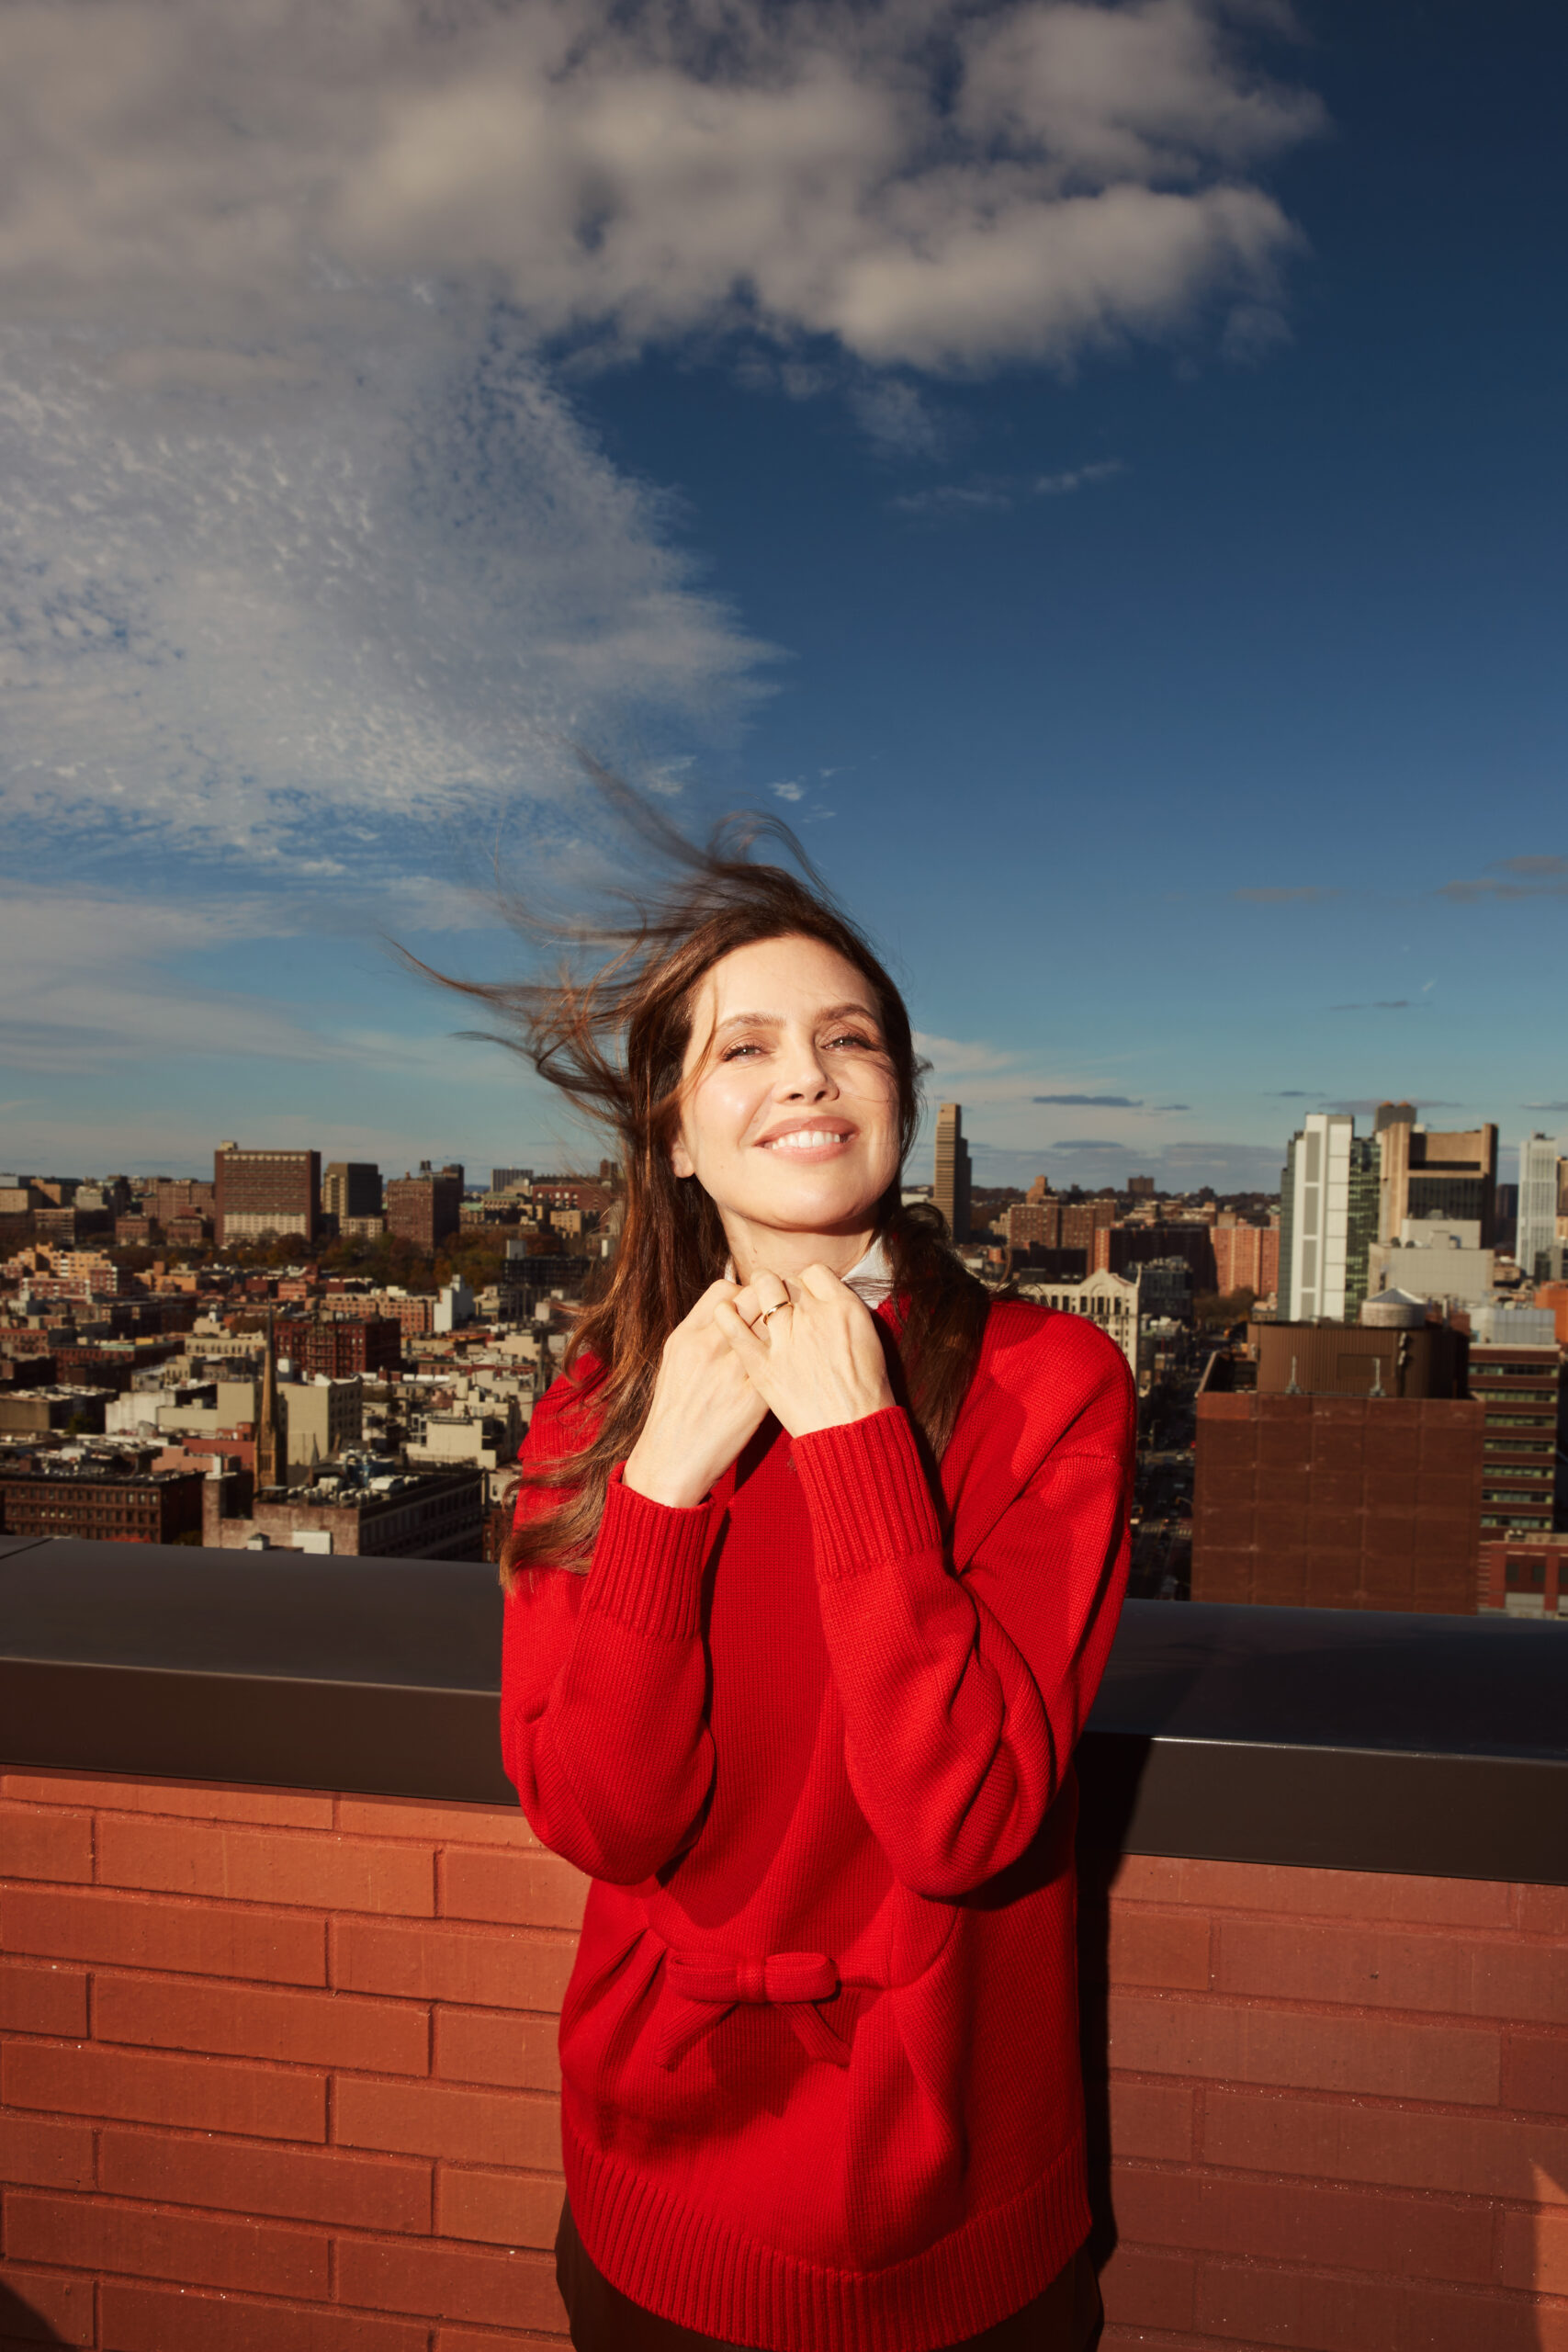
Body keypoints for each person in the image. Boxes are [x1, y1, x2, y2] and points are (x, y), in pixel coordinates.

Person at [488, 788, 1134, 2352]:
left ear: (904, 1095)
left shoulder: (1049, 1386)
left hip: (950, 2204)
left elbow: (963, 1816)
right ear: (672, 1123)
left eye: (852, 1040)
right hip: (657, 2186)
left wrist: (851, 1440)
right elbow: (602, 1814)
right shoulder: (596, 1403)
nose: (809, 1078)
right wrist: (661, 1481)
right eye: (746, 1046)